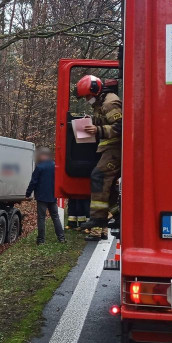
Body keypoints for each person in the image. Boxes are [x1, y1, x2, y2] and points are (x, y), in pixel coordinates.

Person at [75, 75, 121, 239]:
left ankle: (98, 219)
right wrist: (91, 121)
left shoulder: (110, 103)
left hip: (115, 149)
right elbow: (104, 119)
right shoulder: (102, 102)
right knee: (107, 185)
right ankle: (117, 216)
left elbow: (122, 127)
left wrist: (98, 130)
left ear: (95, 90)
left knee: (99, 177)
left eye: (88, 96)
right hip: (109, 148)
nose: (87, 99)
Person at [26, 147, 66, 244]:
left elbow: (33, 182)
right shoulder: (55, 166)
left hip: (41, 196)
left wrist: (28, 193)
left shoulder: (39, 167)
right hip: (53, 196)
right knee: (55, 217)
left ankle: (41, 240)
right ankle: (61, 238)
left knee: (41, 218)